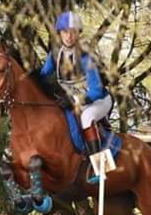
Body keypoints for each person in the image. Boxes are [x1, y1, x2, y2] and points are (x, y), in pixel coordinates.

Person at [39, 11, 114, 177]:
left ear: (78, 34)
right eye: (65, 31)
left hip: (98, 101)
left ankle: (100, 167)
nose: (69, 36)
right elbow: (43, 76)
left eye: (73, 31)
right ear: (59, 33)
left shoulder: (87, 58)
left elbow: (97, 90)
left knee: (87, 118)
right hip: (75, 100)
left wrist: (75, 101)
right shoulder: (55, 55)